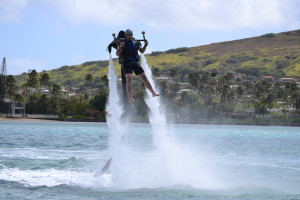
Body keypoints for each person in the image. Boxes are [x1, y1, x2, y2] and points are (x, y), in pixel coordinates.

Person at [116, 29, 159, 103]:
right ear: (125, 35)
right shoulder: (121, 42)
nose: (130, 36)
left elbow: (142, 51)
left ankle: (153, 93)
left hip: (135, 62)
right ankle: (130, 97)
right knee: (129, 78)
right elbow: (117, 53)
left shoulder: (135, 42)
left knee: (144, 77)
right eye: (128, 35)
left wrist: (145, 45)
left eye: (131, 35)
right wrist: (120, 46)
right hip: (126, 63)